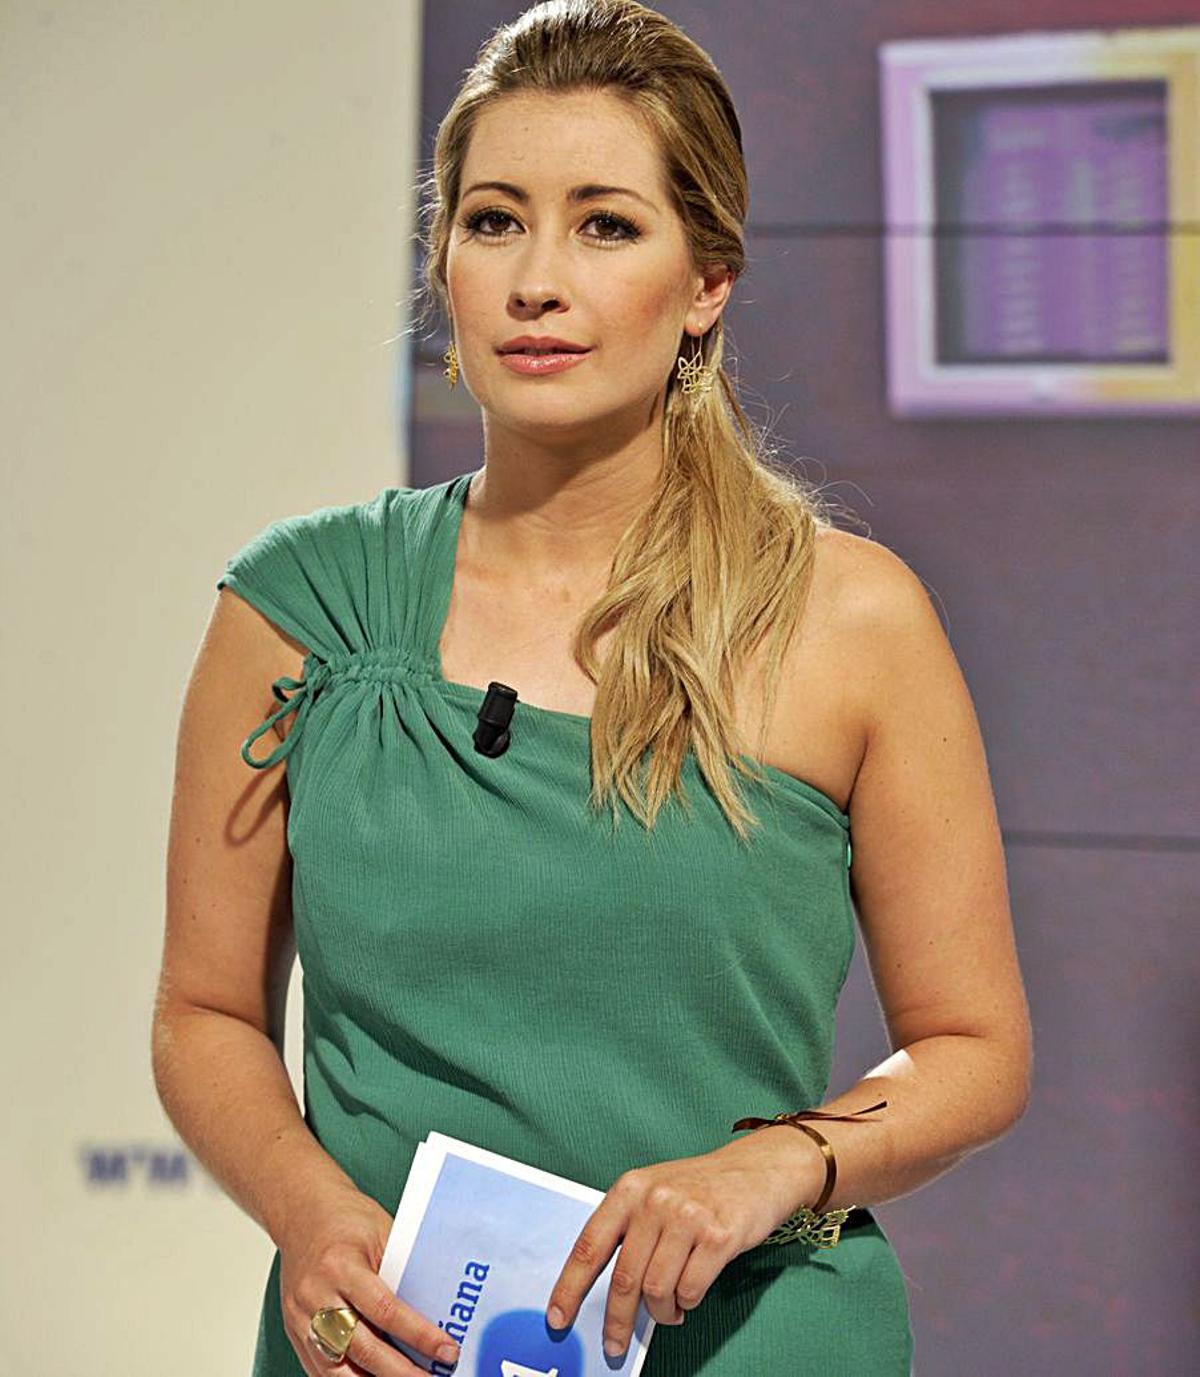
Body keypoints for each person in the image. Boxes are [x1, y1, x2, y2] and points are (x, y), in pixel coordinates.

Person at [152, 2, 1033, 1373]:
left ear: (706, 282)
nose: (537, 280)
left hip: (746, 1341)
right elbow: (205, 1013)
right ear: (444, 262)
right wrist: (307, 1215)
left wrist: (779, 1163)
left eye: (606, 225)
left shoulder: (853, 619)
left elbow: (972, 1045)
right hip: (387, 1342)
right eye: (494, 221)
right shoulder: (298, 604)